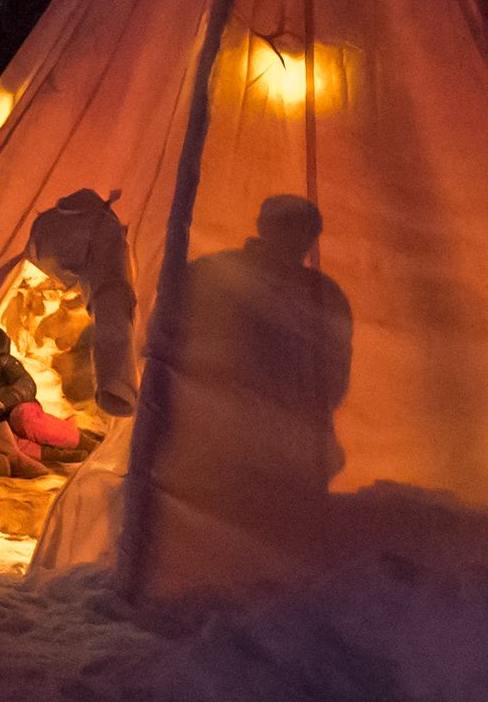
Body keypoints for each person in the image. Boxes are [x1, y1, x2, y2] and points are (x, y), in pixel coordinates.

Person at [148, 193, 351, 580]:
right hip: (217, 446)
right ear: (264, 228)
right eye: (289, 229)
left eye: (305, 232)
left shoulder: (321, 295)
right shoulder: (213, 276)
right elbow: (165, 344)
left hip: (280, 449)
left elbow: (333, 379)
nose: (298, 240)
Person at [26, 187, 137, 413]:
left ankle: (114, 389)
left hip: (90, 261)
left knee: (110, 300)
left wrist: (115, 388)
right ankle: (114, 389)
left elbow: (111, 310)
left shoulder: (102, 242)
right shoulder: (103, 234)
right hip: (90, 259)